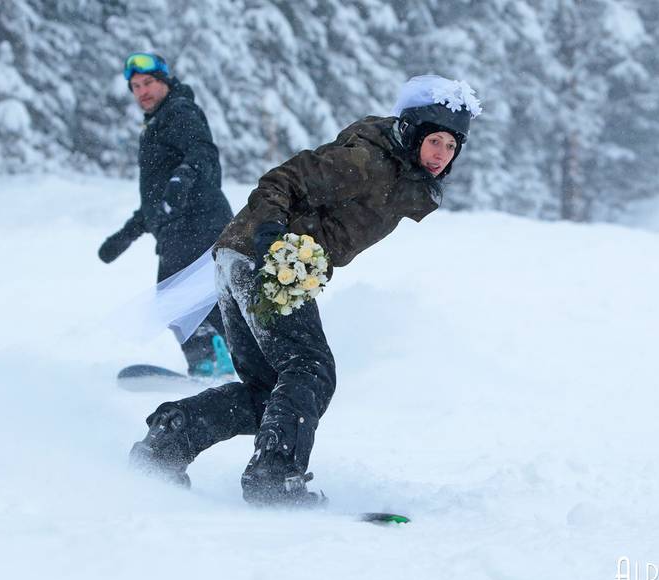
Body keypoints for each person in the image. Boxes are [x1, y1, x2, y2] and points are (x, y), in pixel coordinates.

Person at [129, 75, 481, 505]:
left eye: (451, 146)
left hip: (237, 261)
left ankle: (170, 439)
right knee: (310, 370)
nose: (440, 155)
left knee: (271, 392)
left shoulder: (396, 170)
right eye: (435, 141)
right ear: (413, 132)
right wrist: (271, 235)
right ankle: (274, 477)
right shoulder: (367, 161)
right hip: (268, 258)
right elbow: (283, 179)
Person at [98, 53, 235, 377]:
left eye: (148, 83)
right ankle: (217, 361)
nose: (141, 91)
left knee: (184, 296)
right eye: (135, 86)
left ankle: (218, 362)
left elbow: (202, 152)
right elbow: (158, 200)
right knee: (186, 296)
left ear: (164, 81)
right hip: (181, 225)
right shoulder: (158, 123)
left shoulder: (179, 111)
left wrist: (182, 179)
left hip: (198, 220)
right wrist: (128, 233)